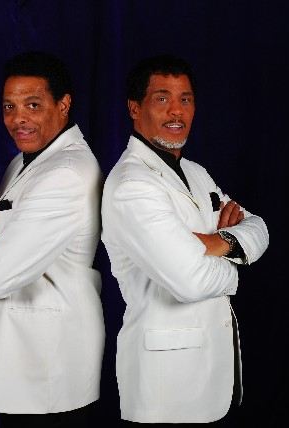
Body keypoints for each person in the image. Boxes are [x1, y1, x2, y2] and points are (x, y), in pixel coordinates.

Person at [101, 54, 269, 425]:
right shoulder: (132, 185)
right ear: (135, 108)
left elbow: (259, 227)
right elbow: (190, 281)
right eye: (162, 98)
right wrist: (235, 263)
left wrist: (217, 242)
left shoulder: (195, 172)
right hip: (167, 388)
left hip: (211, 377)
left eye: (186, 99)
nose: (176, 111)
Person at [0, 51, 105, 427]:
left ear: (64, 105)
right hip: (27, 364)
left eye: (32, 105)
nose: (18, 119)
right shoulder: (27, 159)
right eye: (9, 107)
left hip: (49, 370)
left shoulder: (65, 173)